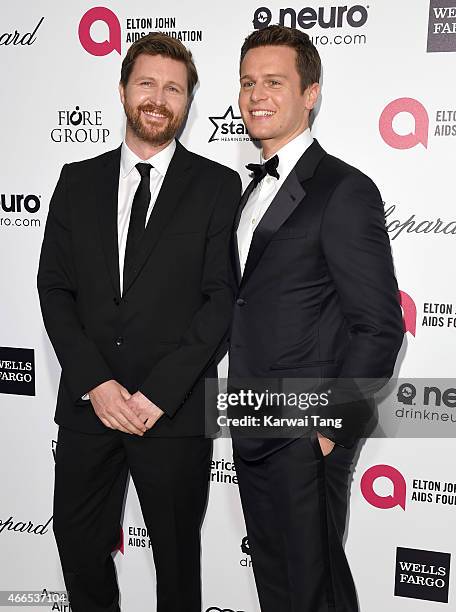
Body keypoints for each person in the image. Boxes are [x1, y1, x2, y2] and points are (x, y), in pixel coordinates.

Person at [37, 32, 241, 612]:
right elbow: (54, 288)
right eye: (147, 83)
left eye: (173, 88)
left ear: (187, 102)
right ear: (123, 89)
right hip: (88, 407)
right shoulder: (76, 180)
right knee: (77, 546)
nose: (158, 97)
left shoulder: (217, 186)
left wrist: (158, 393)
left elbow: (220, 299)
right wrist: (96, 383)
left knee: (177, 562)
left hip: (171, 414)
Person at [228, 25, 404, 612]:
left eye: (274, 81)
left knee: (316, 596)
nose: (257, 94)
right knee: (278, 594)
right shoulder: (243, 193)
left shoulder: (344, 190)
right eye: (249, 82)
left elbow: (380, 325)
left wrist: (328, 429)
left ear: (311, 93)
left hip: (305, 434)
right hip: (251, 424)